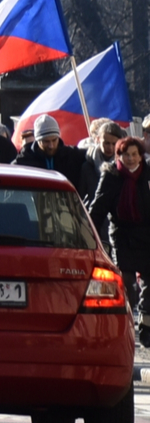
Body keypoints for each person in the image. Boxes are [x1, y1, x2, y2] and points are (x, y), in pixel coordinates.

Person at [89, 137, 150, 334]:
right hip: (123, 237)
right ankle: (125, 325)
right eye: (126, 155)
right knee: (127, 284)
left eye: (134, 154)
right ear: (119, 156)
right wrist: (90, 238)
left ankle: (146, 325)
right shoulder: (112, 176)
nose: (130, 159)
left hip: (147, 236)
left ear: (141, 156)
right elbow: (97, 210)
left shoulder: (147, 174)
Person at [15, 115, 93, 198]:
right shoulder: (23, 161)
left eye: (54, 140)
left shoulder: (72, 155)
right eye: (46, 141)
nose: (51, 146)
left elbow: (95, 156)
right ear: (37, 140)